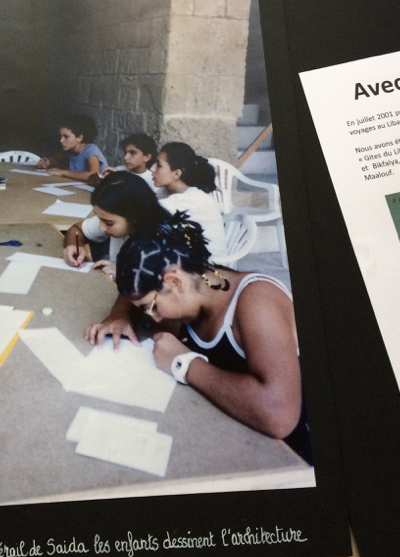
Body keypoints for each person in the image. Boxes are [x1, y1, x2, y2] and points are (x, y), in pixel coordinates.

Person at [111, 214, 311, 462]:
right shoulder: (197, 280)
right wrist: (118, 315)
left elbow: (279, 416)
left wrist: (184, 363)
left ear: (174, 281)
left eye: (150, 307)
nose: (155, 317)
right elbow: (138, 285)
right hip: (226, 431)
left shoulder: (257, 301)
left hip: (289, 456)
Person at [63, 170, 170, 280]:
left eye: (109, 223)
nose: (101, 228)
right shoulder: (113, 216)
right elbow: (77, 229)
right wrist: (74, 245)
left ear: (134, 217)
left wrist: (126, 271)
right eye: (99, 219)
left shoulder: (162, 243)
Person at [150, 142, 227, 263]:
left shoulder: (192, 199)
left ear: (176, 173)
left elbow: (145, 213)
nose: (152, 169)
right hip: (187, 256)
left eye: (159, 165)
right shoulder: (165, 191)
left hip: (209, 264)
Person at [36, 115, 107, 182]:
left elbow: (94, 175)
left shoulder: (91, 150)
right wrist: (47, 163)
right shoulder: (69, 150)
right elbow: (55, 160)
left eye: (66, 137)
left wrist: (62, 172)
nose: (61, 141)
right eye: (60, 136)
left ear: (79, 138)